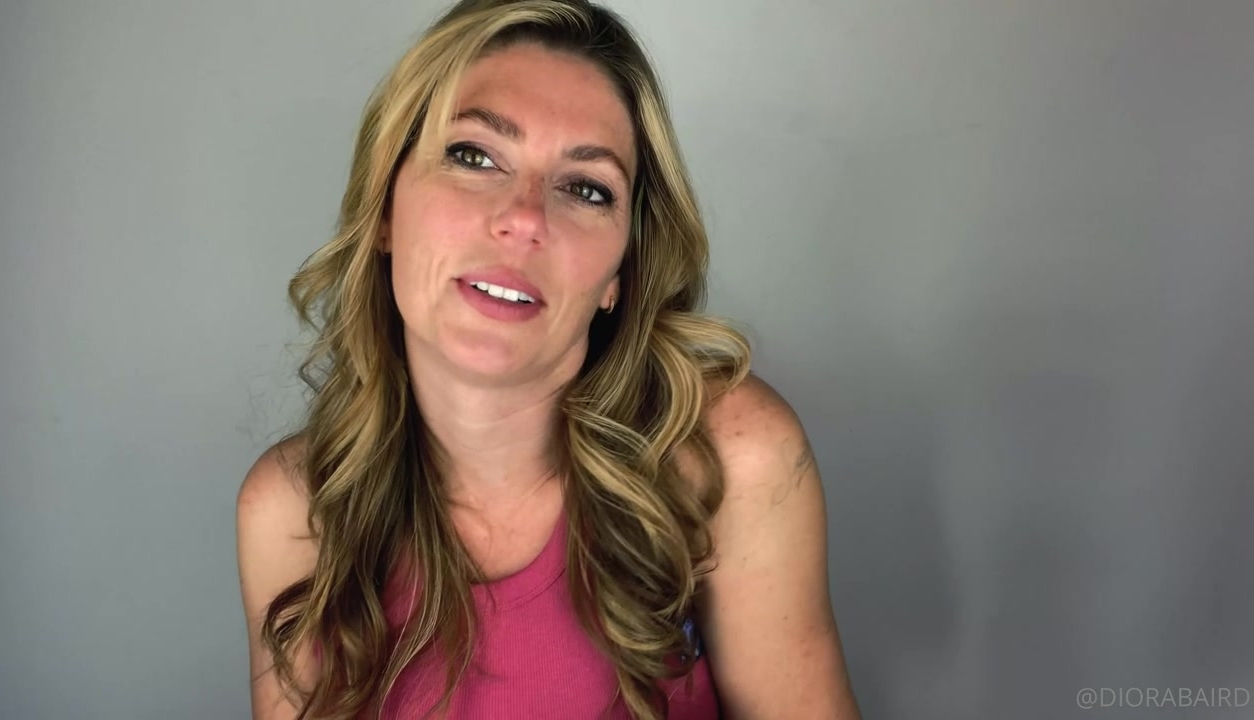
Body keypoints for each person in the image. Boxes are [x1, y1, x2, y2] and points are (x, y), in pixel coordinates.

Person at [236, 0, 861, 718]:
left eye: (586, 188)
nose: (525, 217)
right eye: (474, 156)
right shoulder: (292, 511)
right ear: (384, 210)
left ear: (619, 273)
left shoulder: (726, 456)